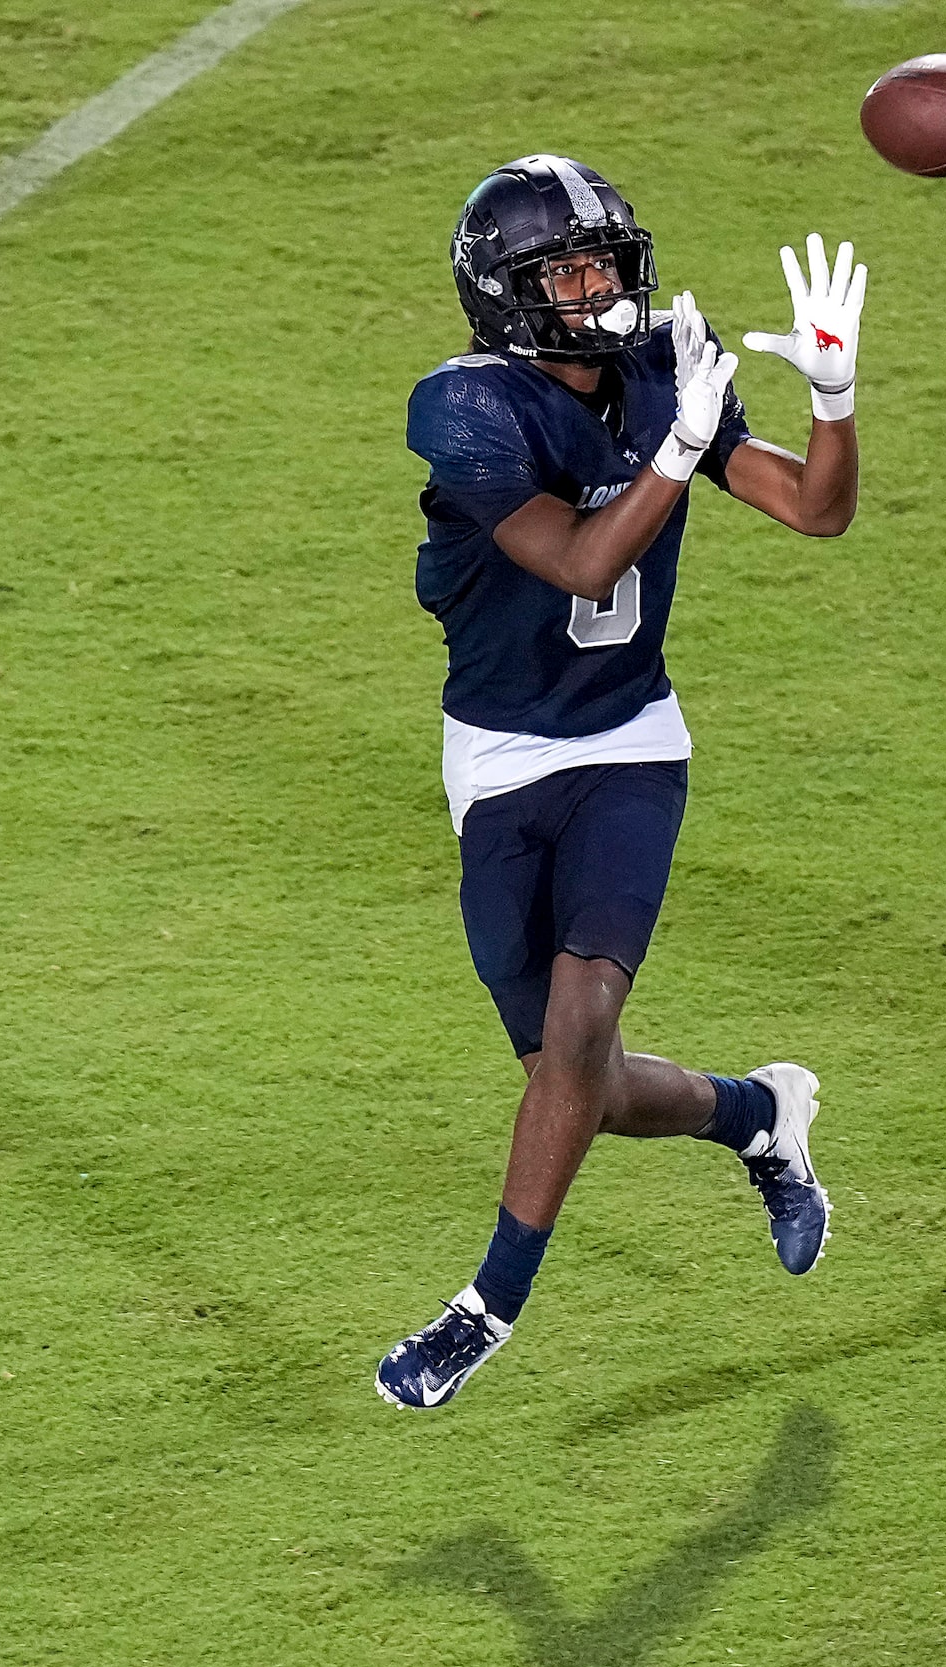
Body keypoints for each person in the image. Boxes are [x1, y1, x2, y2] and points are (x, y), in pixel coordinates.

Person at [374, 155, 869, 1410]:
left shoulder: (662, 373)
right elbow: (585, 563)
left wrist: (833, 394)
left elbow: (816, 513)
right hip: (499, 753)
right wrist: (679, 449)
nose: (599, 290)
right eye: (568, 272)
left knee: (581, 1028)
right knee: (567, 1083)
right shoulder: (465, 408)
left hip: (632, 740)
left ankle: (484, 1310)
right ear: (504, 296)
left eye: (606, 262)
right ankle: (759, 1114)